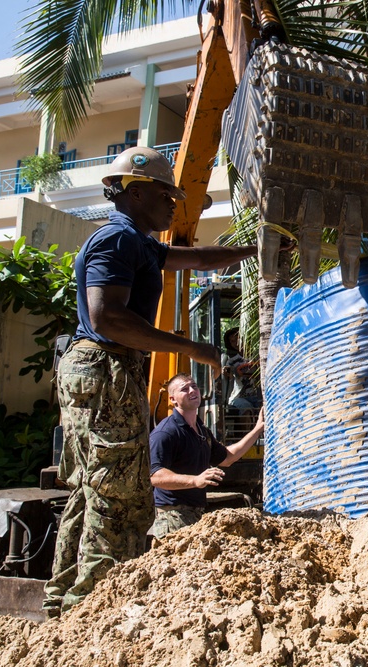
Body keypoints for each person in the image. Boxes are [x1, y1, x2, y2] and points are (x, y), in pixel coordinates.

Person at [43, 146, 271, 618]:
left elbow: (195, 259)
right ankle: (96, 604)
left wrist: (254, 248)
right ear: (136, 191)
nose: (174, 204)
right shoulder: (117, 240)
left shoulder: (139, 241)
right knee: (121, 491)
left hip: (101, 367)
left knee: (93, 487)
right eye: (167, 194)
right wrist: (188, 348)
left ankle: (65, 597)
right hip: (105, 365)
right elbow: (107, 317)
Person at [149, 373, 264, 538]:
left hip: (195, 514)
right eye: (184, 389)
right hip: (173, 517)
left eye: (194, 386)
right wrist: (195, 480)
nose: (191, 390)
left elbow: (228, 457)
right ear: (173, 399)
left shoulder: (201, 431)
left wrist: (257, 429)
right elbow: (156, 476)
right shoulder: (166, 432)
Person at [222, 328, 261, 412]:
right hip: (239, 396)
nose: (235, 343)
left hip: (259, 395)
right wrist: (228, 374)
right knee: (245, 408)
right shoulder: (231, 361)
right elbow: (230, 378)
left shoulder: (257, 356)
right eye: (232, 341)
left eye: (237, 339)